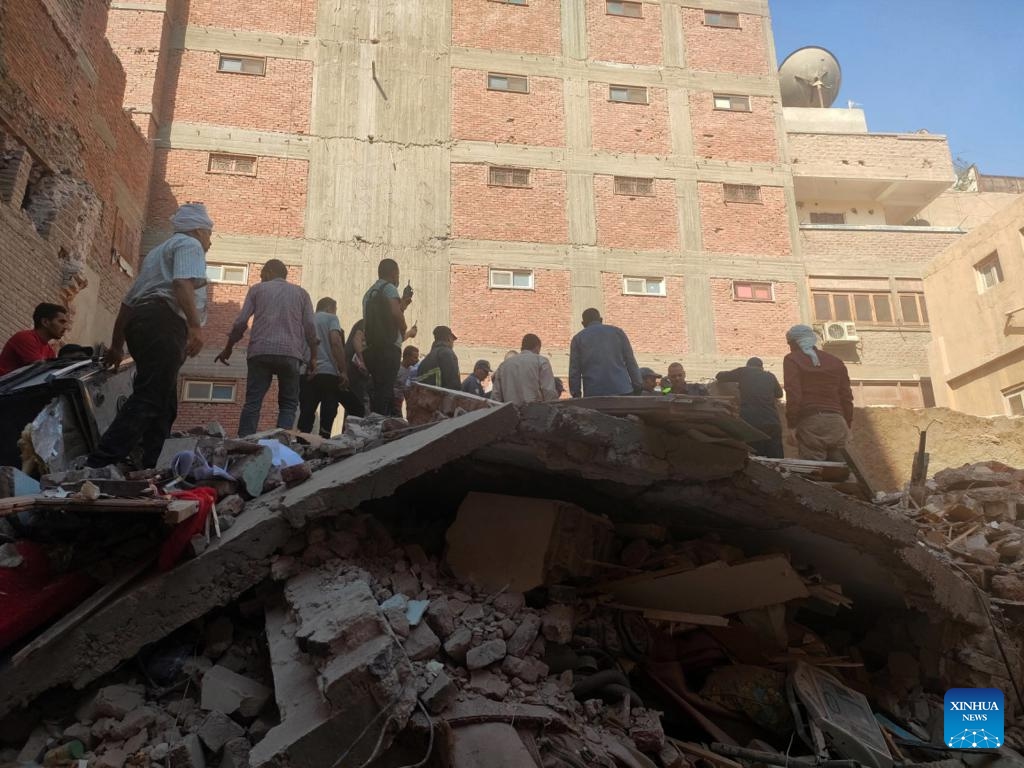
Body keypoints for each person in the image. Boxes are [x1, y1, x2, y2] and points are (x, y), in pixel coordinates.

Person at [87, 203, 212, 468]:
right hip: (164, 323)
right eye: (209, 235)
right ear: (199, 231)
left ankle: (150, 465)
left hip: (141, 324)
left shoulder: (157, 253)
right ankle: (100, 463)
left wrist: (117, 346)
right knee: (150, 396)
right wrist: (195, 326)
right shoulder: (190, 244)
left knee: (165, 404)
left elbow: (128, 302)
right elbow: (182, 283)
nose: (210, 242)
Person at [214, 259, 316, 437]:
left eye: (262, 276)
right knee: (288, 404)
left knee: (253, 402)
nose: (261, 279)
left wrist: (228, 348)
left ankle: (245, 442)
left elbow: (241, 322)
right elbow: (310, 327)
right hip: (291, 354)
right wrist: (313, 357)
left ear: (269, 273)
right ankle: (281, 443)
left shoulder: (257, 290)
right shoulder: (301, 294)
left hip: (260, 352)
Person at [783, 324, 854, 461]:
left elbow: (793, 394)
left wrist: (792, 425)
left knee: (815, 471)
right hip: (837, 423)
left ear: (794, 343)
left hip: (811, 423)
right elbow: (846, 397)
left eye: (790, 344)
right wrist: (848, 425)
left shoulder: (792, 359)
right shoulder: (836, 361)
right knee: (841, 470)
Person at [362, 259, 416, 415]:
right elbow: (395, 313)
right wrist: (404, 328)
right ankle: (380, 422)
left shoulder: (369, 294)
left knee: (378, 389)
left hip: (371, 348)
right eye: (397, 274)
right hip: (389, 349)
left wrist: (403, 303)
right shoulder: (390, 288)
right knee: (386, 391)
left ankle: (375, 418)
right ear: (393, 273)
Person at [297, 297, 349, 438]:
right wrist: (343, 371)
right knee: (329, 408)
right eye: (335, 309)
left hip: (306, 372)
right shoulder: (331, 318)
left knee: (306, 410)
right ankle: (324, 440)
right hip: (327, 373)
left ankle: (303, 442)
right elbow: (336, 342)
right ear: (329, 308)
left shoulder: (305, 320)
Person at [716, 357, 784, 458]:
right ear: (762, 368)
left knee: (754, 458)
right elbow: (779, 394)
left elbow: (720, 376)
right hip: (772, 421)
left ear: (748, 366)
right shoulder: (770, 376)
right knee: (776, 458)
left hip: (751, 422)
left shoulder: (743, 372)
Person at [568, 308, 641, 398]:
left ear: (583, 324)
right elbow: (630, 361)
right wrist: (638, 386)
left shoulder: (578, 339)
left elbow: (574, 371)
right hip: (622, 390)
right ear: (601, 320)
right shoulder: (618, 332)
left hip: (594, 393)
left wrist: (576, 394)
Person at [0, 303, 69, 376]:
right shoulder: (25, 338)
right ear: (45, 322)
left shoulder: (50, 351)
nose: (65, 327)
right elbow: (40, 370)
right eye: (61, 322)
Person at [492, 334, 559, 405]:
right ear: (537, 347)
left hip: (510, 410)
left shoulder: (504, 365)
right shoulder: (541, 361)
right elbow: (549, 392)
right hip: (535, 409)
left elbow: (496, 397)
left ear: (522, 347)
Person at [341, 319, 370, 417]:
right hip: (357, 372)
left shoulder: (364, 323)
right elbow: (357, 338)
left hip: (353, 372)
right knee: (359, 406)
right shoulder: (366, 322)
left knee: (353, 407)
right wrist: (362, 362)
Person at [393, 345, 420, 413]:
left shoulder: (411, 370)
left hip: (400, 400)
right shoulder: (397, 369)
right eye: (415, 357)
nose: (417, 360)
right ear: (407, 357)